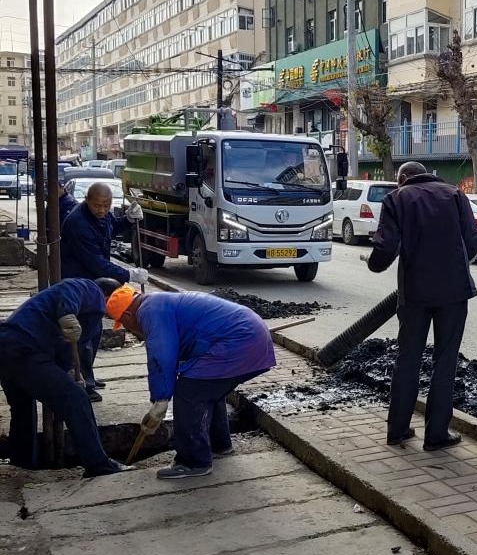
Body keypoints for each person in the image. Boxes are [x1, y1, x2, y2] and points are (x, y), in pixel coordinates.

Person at [367, 161, 477, 451]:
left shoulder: (396, 199)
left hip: (414, 293)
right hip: (454, 291)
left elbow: (386, 246)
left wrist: (374, 265)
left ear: (404, 177)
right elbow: (472, 240)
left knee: (408, 359)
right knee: (445, 360)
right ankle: (436, 435)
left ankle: (397, 430)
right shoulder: (455, 194)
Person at [105, 286, 276, 479]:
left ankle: (193, 461)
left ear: (127, 315)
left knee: (188, 394)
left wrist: (161, 399)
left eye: (123, 323)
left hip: (240, 340)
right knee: (206, 387)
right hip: (250, 334)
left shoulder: (150, 311)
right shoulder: (159, 302)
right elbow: (178, 352)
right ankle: (219, 444)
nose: (128, 328)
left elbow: (161, 354)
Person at [0, 278, 127, 476]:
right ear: (109, 295)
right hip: (26, 348)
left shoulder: (89, 317)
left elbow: (68, 349)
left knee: (23, 410)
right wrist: (67, 312)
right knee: (77, 399)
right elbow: (69, 288)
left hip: (8, 347)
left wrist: (69, 371)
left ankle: (22, 463)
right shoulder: (92, 289)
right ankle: (98, 464)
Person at [61, 182, 147, 284]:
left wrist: (128, 219)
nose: (102, 210)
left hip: (93, 279)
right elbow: (96, 264)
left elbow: (112, 228)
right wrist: (129, 275)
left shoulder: (100, 214)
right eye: (97, 206)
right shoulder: (78, 224)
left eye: (106, 206)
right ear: (87, 200)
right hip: (77, 282)